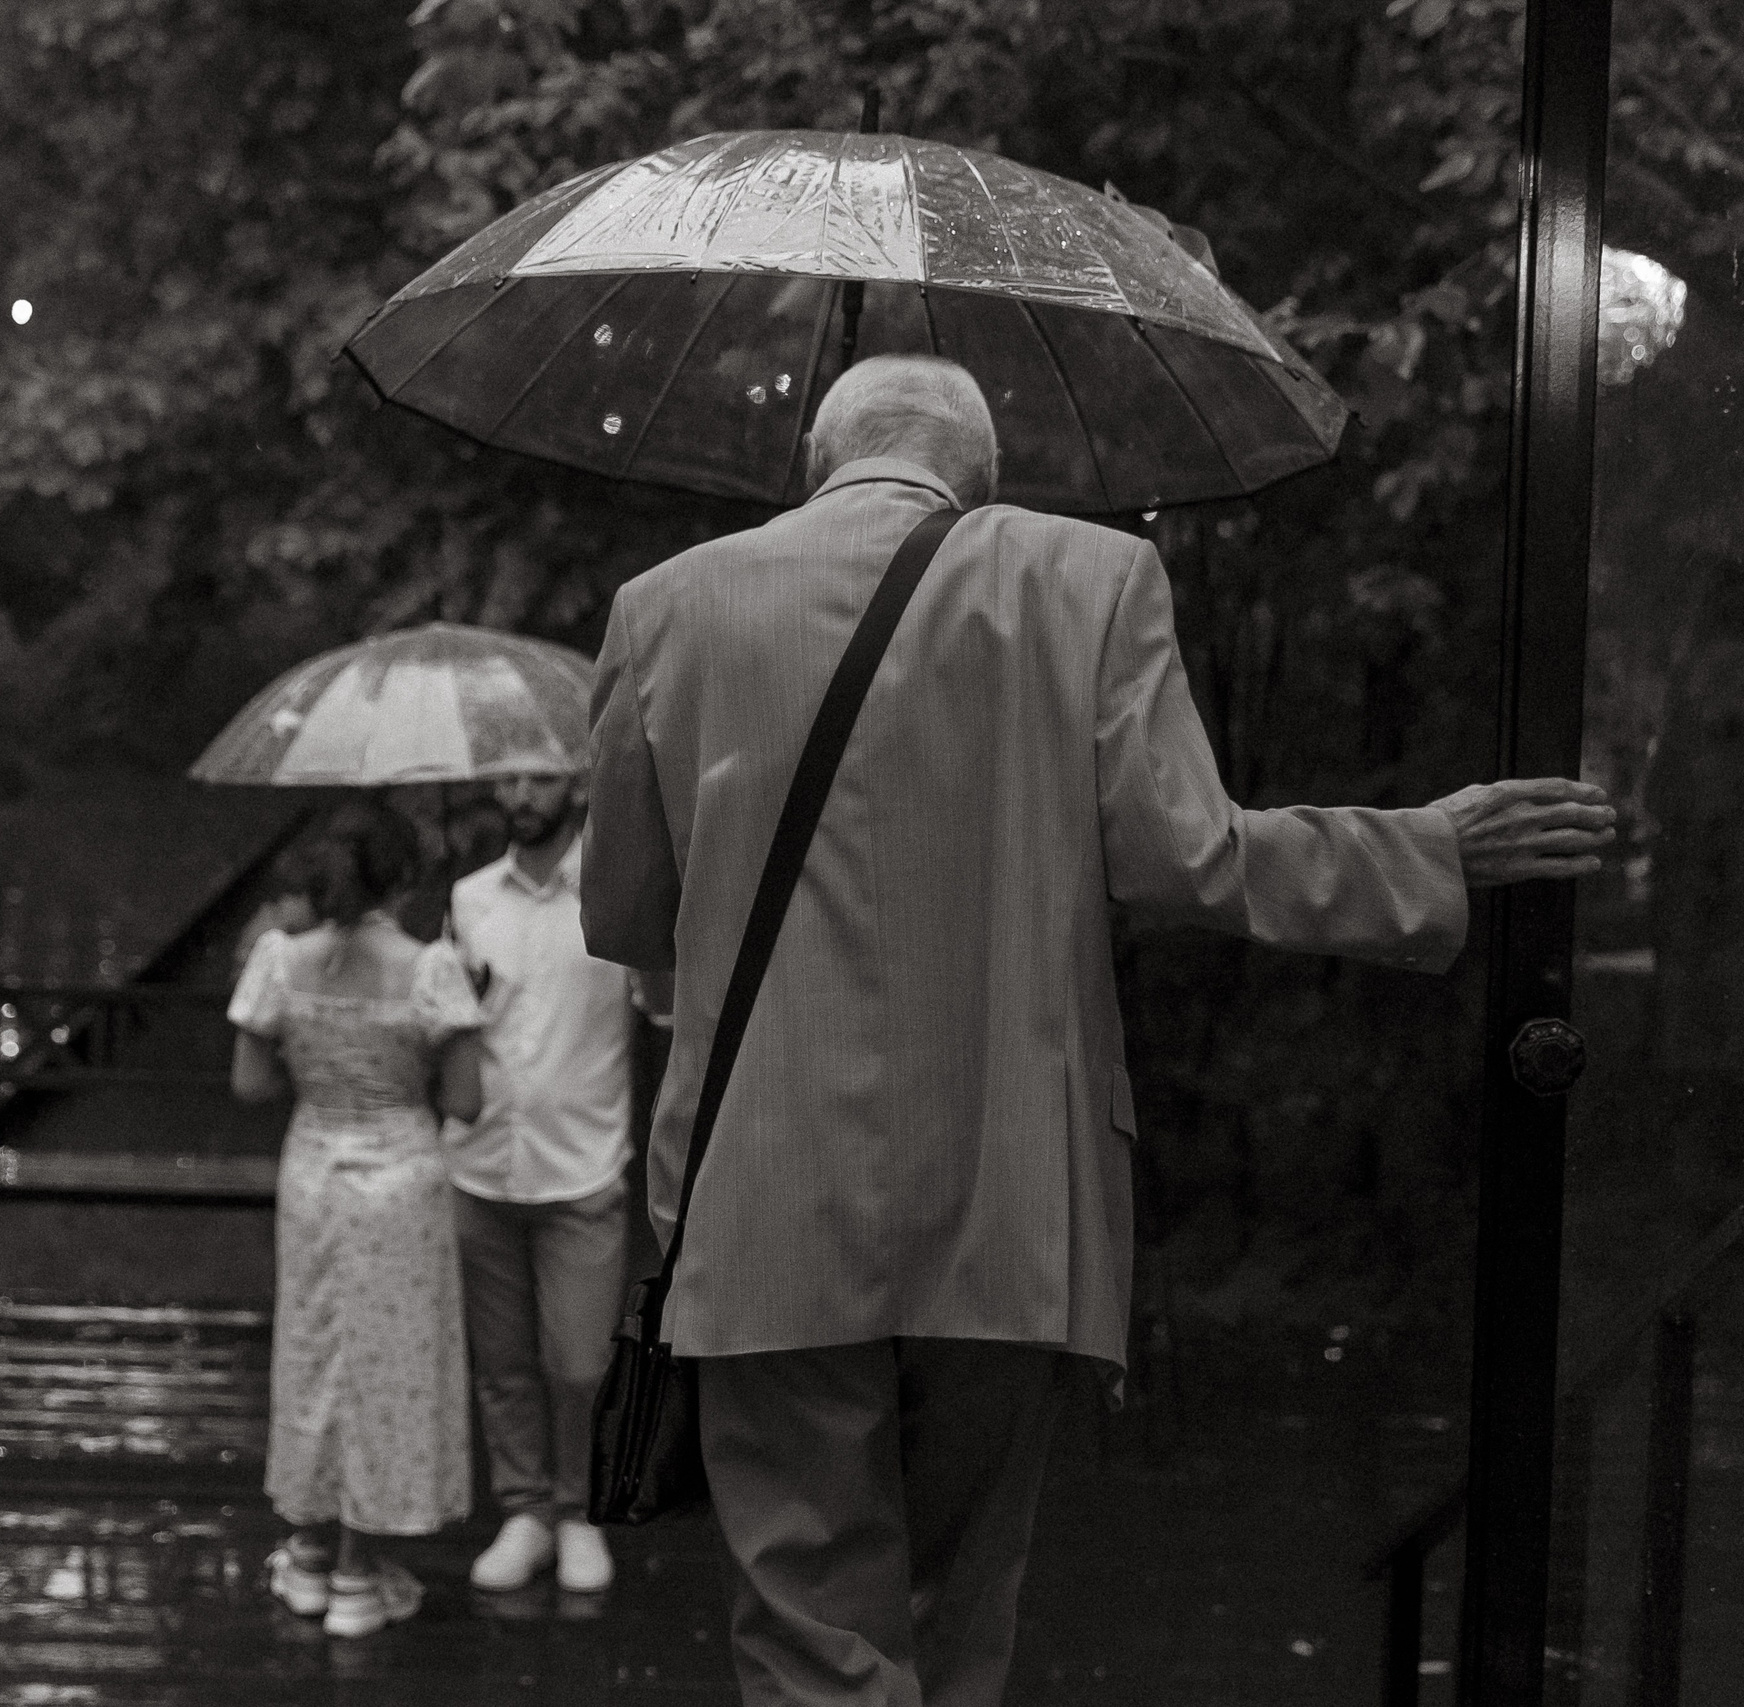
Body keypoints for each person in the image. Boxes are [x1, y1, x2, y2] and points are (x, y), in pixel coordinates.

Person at [582, 354, 1617, 1707]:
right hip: (1008, 1195)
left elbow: (623, 913)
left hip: (759, 1195)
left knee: (806, 1632)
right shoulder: (1088, 579)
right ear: (982, 477)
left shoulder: (666, 605)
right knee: (963, 1616)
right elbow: (1193, 860)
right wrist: (1425, 848)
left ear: (817, 460)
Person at [228, 799, 485, 1639]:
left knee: (313, 1357)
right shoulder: (431, 969)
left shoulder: (278, 958)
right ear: (405, 877)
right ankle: (358, 1571)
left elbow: (252, 1085)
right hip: (400, 1185)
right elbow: (466, 1099)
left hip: (312, 1178)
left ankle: (304, 1552)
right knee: (388, 1369)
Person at [445, 768, 634, 1595]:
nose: (521, 793)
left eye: (539, 777)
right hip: (481, 1161)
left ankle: (581, 1510)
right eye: (509, 778)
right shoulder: (469, 897)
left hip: (581, 1162)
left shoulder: (618, 893)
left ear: (579, 785)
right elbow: (452, 1015)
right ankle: (524, 1507)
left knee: (582, 1362)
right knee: (503, 1359)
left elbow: (658, 1011)